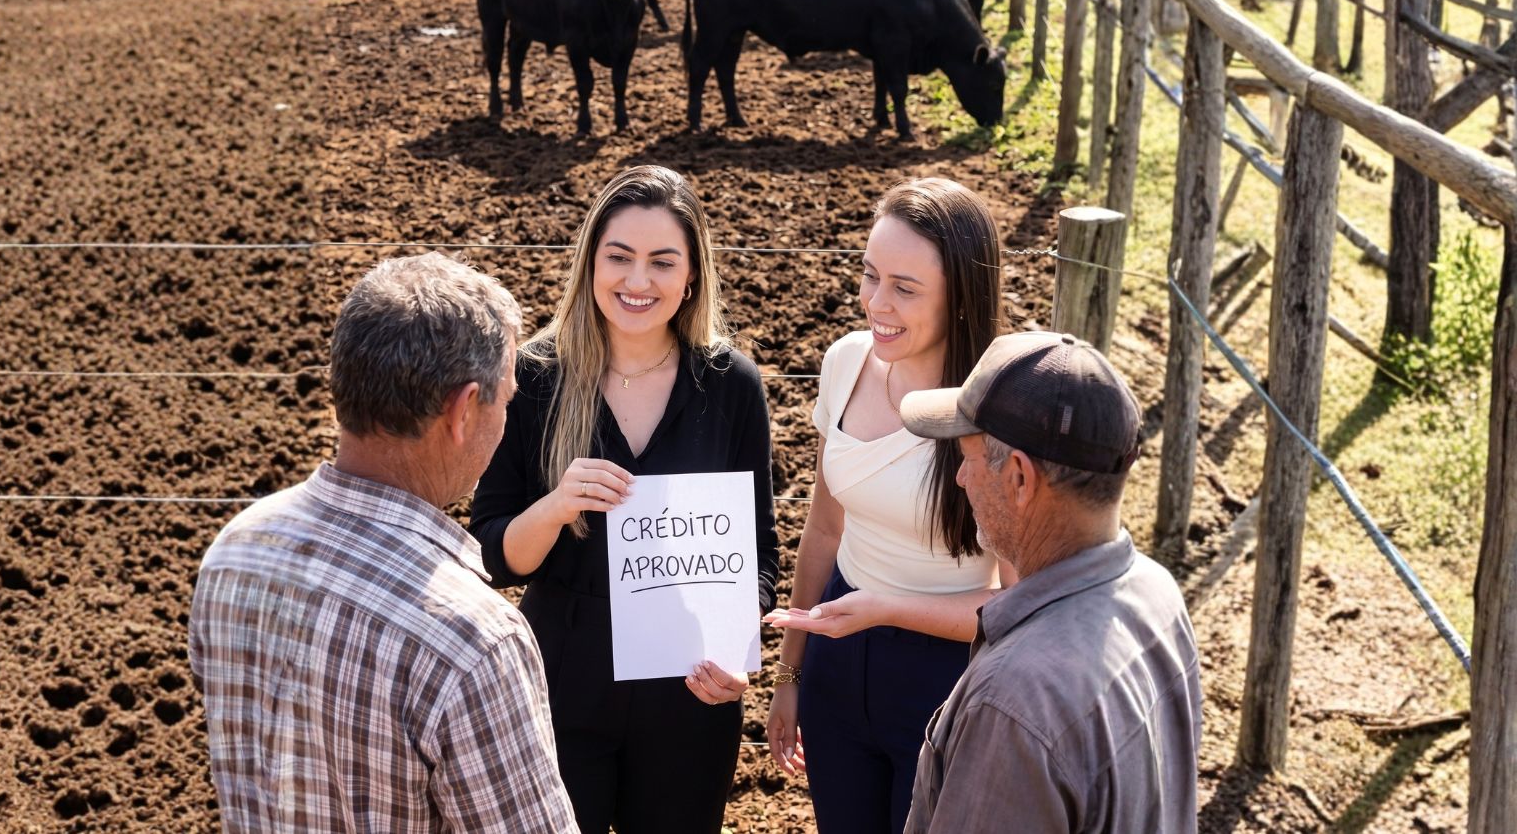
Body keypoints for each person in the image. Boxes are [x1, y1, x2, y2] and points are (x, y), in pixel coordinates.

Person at [188, 254, 578, 833]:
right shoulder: (472, 640)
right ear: (463, 409)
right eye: (505, 397)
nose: (506, 417)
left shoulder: (236, 550)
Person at [469, 164, 779, 834]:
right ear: (590, 263)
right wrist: (554, 507)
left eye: (663, 262)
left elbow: (759, 559)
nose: (638, 282)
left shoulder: (731, 386)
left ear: (692, 275)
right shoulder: (533, 377)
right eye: (620, 258)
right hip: (561, 681)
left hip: (689, 689)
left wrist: (734, 644)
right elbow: (494, 555)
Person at [762, 177, 1018, 834]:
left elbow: (1017, 609)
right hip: (836, 660)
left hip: (942, 680)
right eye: (871, 276)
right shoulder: (846, 363)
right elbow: (822, 529)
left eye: (905, 288)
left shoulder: (1000, 413)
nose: (877, 302)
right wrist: (792, 671)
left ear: (961, 296)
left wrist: (888, 611)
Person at [898, 330, 1202, 833]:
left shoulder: (1013, 700)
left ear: (1019, 478)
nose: (960, 479)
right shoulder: (1156, 591)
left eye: (968, 457)